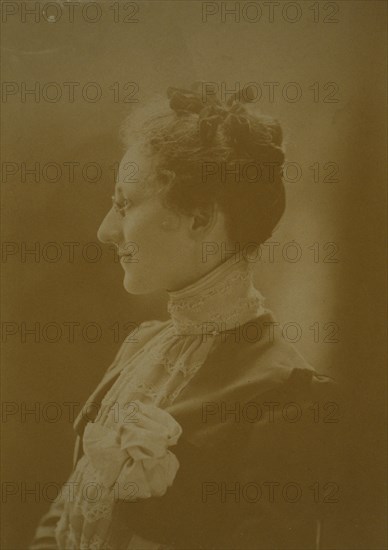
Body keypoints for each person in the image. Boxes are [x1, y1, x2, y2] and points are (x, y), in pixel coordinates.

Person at [31, 84, 339, 550]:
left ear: (199, 218)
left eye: (124, 203)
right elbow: (64, 517)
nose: (105, 230)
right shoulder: (140, 348)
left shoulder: (283, 393)